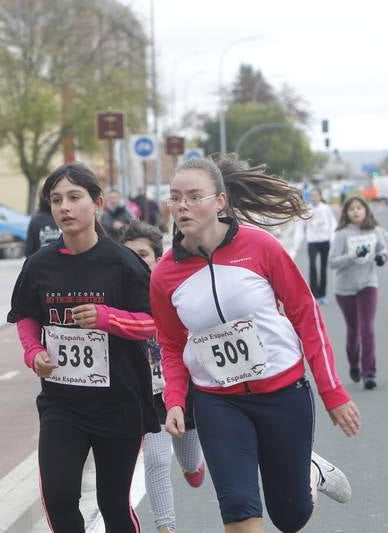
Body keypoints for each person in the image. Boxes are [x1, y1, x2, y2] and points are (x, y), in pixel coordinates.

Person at [150, 156, 361, 533]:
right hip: (218, 401)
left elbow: (306, 316)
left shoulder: (260, 247)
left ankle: (310, 471)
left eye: (194, 196)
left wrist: (333, 392)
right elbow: (169, 343)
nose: (182, 205)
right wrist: (176, 400)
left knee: (290, 516)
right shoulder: (165, 273)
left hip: (283, 392)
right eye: (175, 197)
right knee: (238, 507)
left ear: (220, 201)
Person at [8, 163, 160, 532]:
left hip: (120, 402)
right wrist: (33, 353)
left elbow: (153, 324)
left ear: (97, 204)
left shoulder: (123, 263)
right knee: (59, 499)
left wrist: (109, 318)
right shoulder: (39, 265)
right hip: (63, 403)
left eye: (74, 198)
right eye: (57, 200)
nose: (65, 207)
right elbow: (26, 316)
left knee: (112, 504)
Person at [120, 221, 205, 533]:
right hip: (147, 392)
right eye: (128, 255)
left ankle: (194, 466)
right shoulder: (116, 293)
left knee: (189, 461)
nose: (135, 261)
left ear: (158, 258)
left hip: (182, 386)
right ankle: (166, 527)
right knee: (156, 460)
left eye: (142, 254)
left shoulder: (174, 285)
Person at [329, 196, 388, 391]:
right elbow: (333, 262)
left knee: (367, 328)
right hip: (345, 289)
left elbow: (383, 250)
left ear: (366, 210)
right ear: (346, 213)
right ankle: (354, 363)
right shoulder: (341, 235)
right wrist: (352, 256)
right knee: (353, 330)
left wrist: (381, 258)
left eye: (359, 208)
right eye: (351, 209)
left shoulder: (375, 231)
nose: (355, 211)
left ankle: (369, 373)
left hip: (368, 284)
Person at [293, 187, 337, 304]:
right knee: (312, 267)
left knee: (323, 268)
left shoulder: (326, 208)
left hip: (324, 241)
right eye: (312, 195)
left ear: (320, 196)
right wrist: (296, 245)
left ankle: (322, 295)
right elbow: (300, 227)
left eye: (316, 195)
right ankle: (314, 295)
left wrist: (332, 239)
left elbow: (333, 224)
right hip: (312, 241)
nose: (314, 197)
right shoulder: (307, 209)